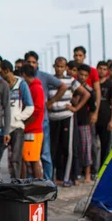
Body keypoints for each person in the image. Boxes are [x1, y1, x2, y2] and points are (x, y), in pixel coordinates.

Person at [24, 51, 66, 181]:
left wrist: (51, 102)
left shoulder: (43, 77)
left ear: (37, 63)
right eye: (29, 62)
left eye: (33, 62)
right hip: (28, 122)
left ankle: (48, 181)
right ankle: (32, 181)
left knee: (45, 153)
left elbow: (62, 86)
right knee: (29, 155)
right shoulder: (23, 79)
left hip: (42, 121)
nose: (31, 64)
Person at [49, 58, 89, 186]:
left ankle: (67, 178)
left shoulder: (71, 81)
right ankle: (52, 177)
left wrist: (75, 108)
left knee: (68, 148)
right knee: (53, 149)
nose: (59, 69)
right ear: (54, 66)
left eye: (62, 67)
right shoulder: (49, 80)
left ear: (66, 68)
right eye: (57, 66)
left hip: (67, 117)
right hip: (52, 118)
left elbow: (86, 94)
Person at [0, 60, 34, 179]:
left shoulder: (21, 84)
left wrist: (18, 117)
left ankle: (17, 183)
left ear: (6, 71)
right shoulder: (1, 85)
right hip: (3, 127)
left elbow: (30, 106)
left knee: (16, 159)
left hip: (17, 127)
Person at [18, 64, 45, 179]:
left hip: (33, 130)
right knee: (26, 159)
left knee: (32, 160)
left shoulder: (35, 88)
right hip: (31, 129)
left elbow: (37, 110)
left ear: (23, 75)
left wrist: (25, 124)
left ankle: (38, 186)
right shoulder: (33, 87)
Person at [74, 64, 98, 183]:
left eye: (85, 75)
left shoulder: (90, 91)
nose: (82, 77)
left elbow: (93, 108)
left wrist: (90, 120)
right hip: (73, 121)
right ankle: (76, 174)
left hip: (84, 123)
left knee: (86, 148)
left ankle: (88, 174)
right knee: (75, 149)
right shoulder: (72, 88)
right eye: (81, 74)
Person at [95, 61, 112, 171]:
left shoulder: (110, 85)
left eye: (104, 69)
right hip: (93, 118)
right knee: (93, 146)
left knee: (105, 146)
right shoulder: (93, 83)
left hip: (106, 118)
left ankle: (102, 169)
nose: (102, 71)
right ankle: (92, 169)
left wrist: (111, 120)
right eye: (100, 68)